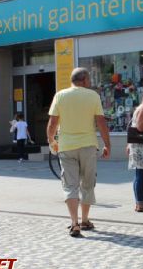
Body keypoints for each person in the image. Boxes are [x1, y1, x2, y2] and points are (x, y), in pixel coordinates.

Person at [47, 67, 110, 237]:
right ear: (84, 80)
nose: (89, 82)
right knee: (87, 184)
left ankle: (74, 223)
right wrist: (107, 145)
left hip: (66, 147)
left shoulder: (60, 95)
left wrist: (52, 141)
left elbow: (52, 123)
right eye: (88, 79)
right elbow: (101, 123)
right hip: (88, 146)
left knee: (70, 185)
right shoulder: (93, 96)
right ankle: (85, 220)